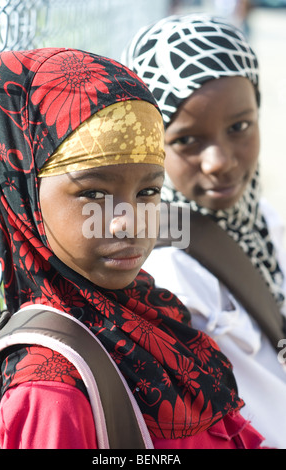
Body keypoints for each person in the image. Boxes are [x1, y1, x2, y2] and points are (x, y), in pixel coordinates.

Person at [0, 47, 266, 449]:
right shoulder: (53, 391)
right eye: (95, 194)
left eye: (148, 190)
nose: (128, 222)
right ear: (25, 193)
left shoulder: (151, 309)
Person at [122, 14, 286, 448]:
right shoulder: (163, 266)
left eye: (239, 127)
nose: (220, 161)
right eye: (187, 140)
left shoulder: (260, 218)